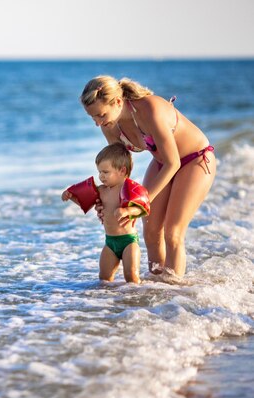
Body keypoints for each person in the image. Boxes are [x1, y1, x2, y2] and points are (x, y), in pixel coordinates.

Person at [80, 75, 216, 279]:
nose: (98, 124)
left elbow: (174, 163)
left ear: (117, 102)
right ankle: (155, 289)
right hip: (162, 163)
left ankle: (173, 292)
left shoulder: (150, 110)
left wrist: (139, 205)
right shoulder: (110, 126)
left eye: (101, 115)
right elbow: (119, 173)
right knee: (151, 231)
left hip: (195, 160)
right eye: (93, 118)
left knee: (173, 232)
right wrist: (109, 203)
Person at [62, 143, 148, 284]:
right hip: (110, 243)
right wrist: (71, 196)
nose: (101, 176)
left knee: (131, 276)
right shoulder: (101, 190)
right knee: (104, 278)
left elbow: (142, 208)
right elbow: (86, 203)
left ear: (122, 170)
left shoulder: (128, 189)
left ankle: (134, 301)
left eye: (105, 172)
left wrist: (127, 210)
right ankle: (106, 303)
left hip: (129, 241)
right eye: (99, 172)